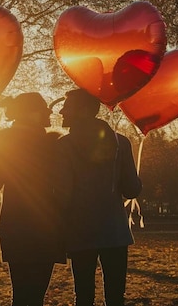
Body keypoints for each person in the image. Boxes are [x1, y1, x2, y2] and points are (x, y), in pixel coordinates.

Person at [58, 88, 142, 306]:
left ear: (84, 110)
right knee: (115, 297)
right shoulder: (120, 143)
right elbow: (132, 190)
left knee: (83, 296)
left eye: (67, 107)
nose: (61, 111)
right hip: (114, 232)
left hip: (79, 231)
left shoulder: (63, 147)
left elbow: (62, 192)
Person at [0, 92, 67, 306]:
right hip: (46, 227)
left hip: (15, 227)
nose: (50, 116)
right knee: (36, 295)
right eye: (44, 112)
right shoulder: (54, 145)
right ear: (31, 114)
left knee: (21, 294)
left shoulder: (7, 145)